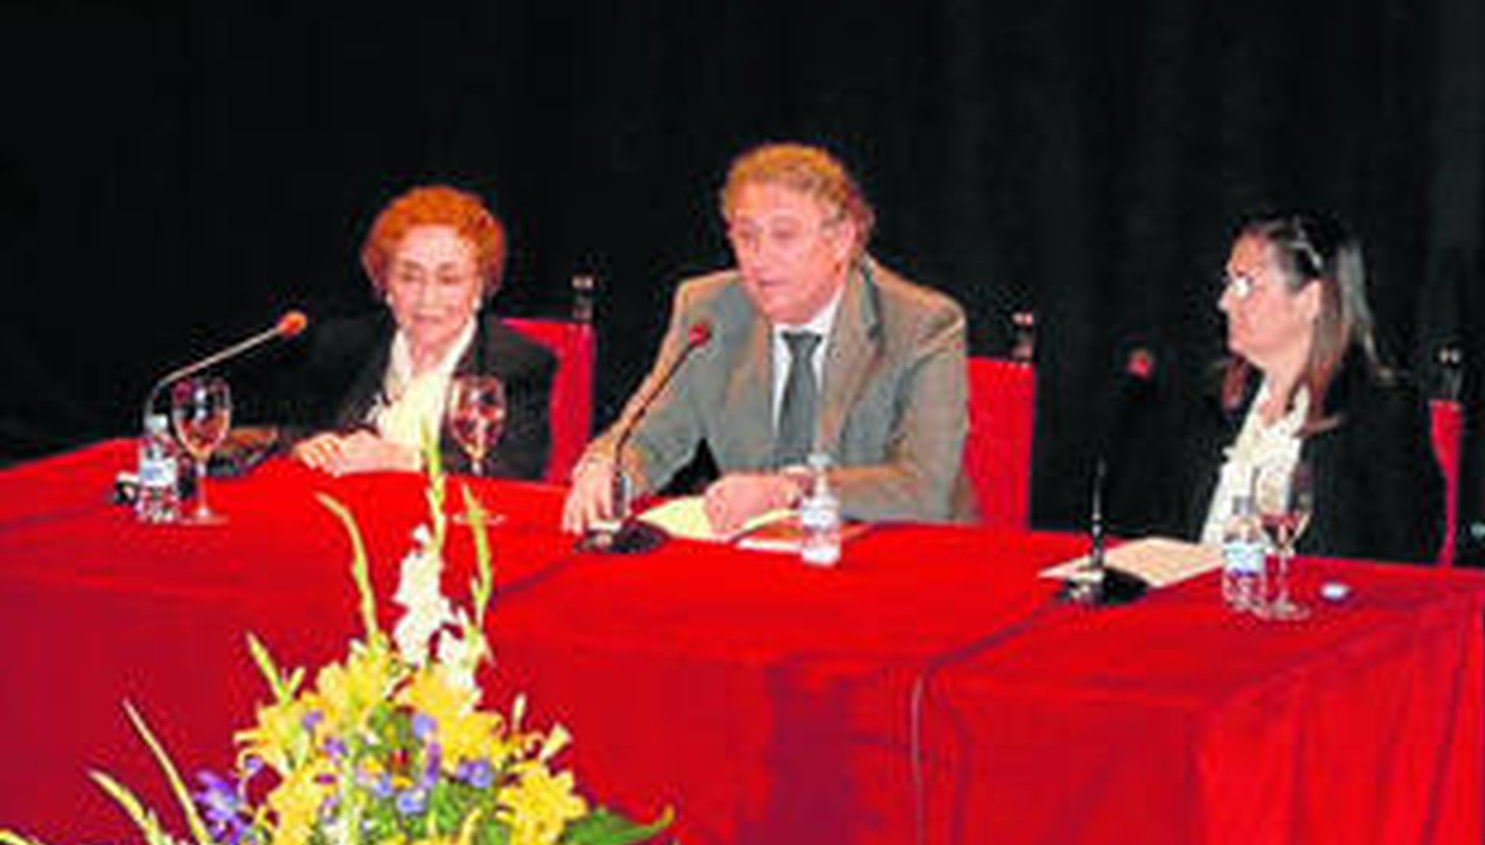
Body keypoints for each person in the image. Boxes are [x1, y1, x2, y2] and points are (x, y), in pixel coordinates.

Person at [561, 143, 973, 537]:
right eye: (747, 236)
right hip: (759, 564)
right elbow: (653, 432)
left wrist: (792, 489)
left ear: (842, 240)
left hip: (896, 562)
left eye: (784, 235)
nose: (760, 258)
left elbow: (925, 487)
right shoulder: (709, 310)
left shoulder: (921, 324)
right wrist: (611, 469)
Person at [1119, 212, 1443, 563]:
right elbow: (1161, 532)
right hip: (1196, 607)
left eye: (1245, 285)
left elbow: (1404, 561)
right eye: (1228, 283)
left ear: (1310, 300)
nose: (1224, 302)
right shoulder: (1210, 398)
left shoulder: (1379, 410)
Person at [287, 185, 555, 479]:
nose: (428, 299)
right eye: (409, 277)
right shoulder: (345, 346)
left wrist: (406, 460)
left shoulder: (517, 362)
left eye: (449, 280)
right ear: (385, 283)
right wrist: (306, 448)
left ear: (479, 287)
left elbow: (514, 470)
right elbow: (291, 432)